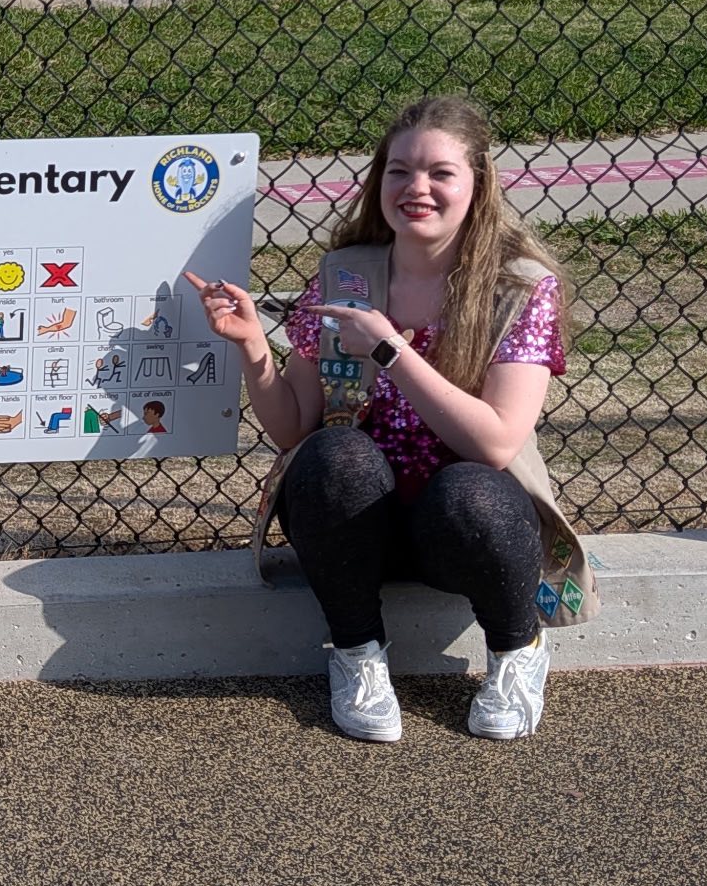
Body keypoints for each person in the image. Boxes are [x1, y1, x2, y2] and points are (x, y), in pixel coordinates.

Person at [186, 95, 596, 744]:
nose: (417, 188)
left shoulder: (521, 286)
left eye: (440, 172)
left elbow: (494, 442)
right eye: (399, 171)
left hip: (461, 527)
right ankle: (356, 653)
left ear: (478, 184)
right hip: (360, 526)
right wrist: (253, 347)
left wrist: (391, 350)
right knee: (329, 456)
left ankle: (518, 651)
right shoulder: (347, 277)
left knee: (470, 493)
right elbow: (295, 427)